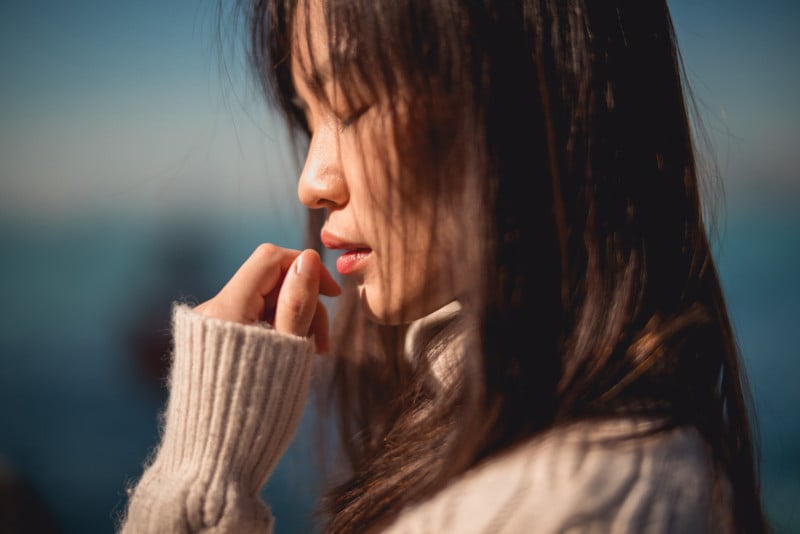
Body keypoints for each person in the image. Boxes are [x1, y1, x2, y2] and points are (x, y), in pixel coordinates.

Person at [118, 0, 769, 532]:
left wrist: (200, 473)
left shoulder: (569, 508)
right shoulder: (565, 463)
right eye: (307, 117)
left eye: (350, 103)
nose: (311, 183)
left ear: (523, 88)